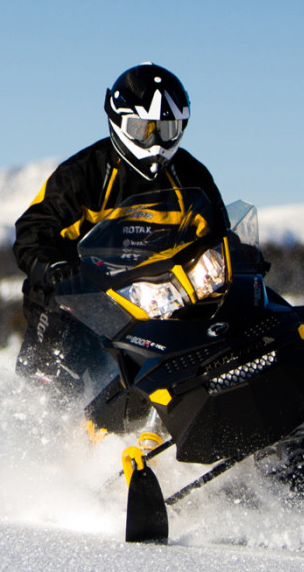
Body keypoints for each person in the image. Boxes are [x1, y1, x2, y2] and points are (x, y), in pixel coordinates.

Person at [12, 62, 230, 397]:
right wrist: (53, 267)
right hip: (85, 300)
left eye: (167, 129)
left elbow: (218, 234)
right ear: (118, 121)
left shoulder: (191, 176)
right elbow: (33, 230)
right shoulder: (82, 175)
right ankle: (42, 420)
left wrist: (237, 258)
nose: (156, 142)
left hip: (162, 299)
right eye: (144, 128)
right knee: (55, 332)